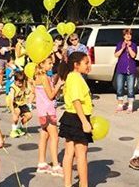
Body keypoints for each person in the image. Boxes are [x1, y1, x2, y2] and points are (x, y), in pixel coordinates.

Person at [59, 52, 95, 187]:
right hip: (77, 117)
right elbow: (76, 100)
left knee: (70, 153)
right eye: (86, 63)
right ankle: (83, 184)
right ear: (76, 65)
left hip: (72, 117)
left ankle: (68, 184)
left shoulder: (74, 76)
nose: (88, 65)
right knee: (81, 154)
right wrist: (84, 122)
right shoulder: (74, 77)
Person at [34, 57, 65, 176]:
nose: (52, 65)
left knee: (44, 135)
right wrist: (59, 84)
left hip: (43, 111)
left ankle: (41, 163)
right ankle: (56, 165)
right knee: (54, 137)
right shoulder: (43, 77)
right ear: (41, 64)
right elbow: (51, 95)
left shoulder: (42, 76)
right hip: (48, 111)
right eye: (49, 63)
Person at [114, 29, 138, 113]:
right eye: (126, 34)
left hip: (131, 70)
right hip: (120, 69)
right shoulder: (120, 44)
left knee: (130, 89)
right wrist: (123, 48)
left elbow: (133, 55)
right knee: (120, 88)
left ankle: (130, 106)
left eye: (130, 35)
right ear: (123, 36)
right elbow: (116, 55)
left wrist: (129, 47)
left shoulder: (134, 45)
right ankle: (120, 105)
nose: (128, 36)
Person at [7, 72, 33, 138]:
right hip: (14, 103)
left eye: (22, 81)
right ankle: (13, 131)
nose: (21, 83)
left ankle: (19, 127)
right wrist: (13, 113)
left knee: (29, 116)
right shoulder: (12, 88)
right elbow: (11, 101)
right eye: (19, 82)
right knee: (16, 115)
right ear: (15, 80)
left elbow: (30, 91)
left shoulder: (24, 84)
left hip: (22, 103)